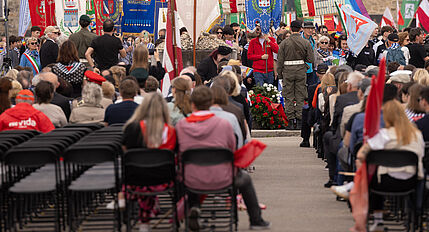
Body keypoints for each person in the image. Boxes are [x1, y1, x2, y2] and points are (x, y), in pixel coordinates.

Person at [176, 86, 270, 231]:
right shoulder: (224, 124)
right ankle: (256, 220)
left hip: (191, 177)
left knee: (185, 171)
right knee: (245, 179)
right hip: (222, 177)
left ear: (192, 104)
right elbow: (233, 150)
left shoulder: (181, 125)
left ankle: (193, 208)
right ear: (211, 103)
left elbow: (178, 152)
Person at [355, 100, 424, 230]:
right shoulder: (418, 135)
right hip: (411, 181)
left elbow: (361, 154)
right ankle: (415, 217)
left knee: (374, 171)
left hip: (384, 182)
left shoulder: (383, 135)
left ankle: (377, 218)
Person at [121, 92, 176, 230]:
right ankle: (145, 217)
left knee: (140, 169)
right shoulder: (171, 131)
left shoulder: (132, 129)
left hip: (134, 180)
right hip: (164, 180)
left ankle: (123, 196)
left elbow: (125, 152)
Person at [277, 20, 315, 130]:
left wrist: (280, 75)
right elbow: (311, 59)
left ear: (291, 28)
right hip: (301, 71)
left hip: (287, 71)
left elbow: (280, 61)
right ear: (300, 29)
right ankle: (299, 121)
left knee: (288, 95)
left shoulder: (284, 43)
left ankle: (289, 121)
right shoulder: (306, 43)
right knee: (300, 95)